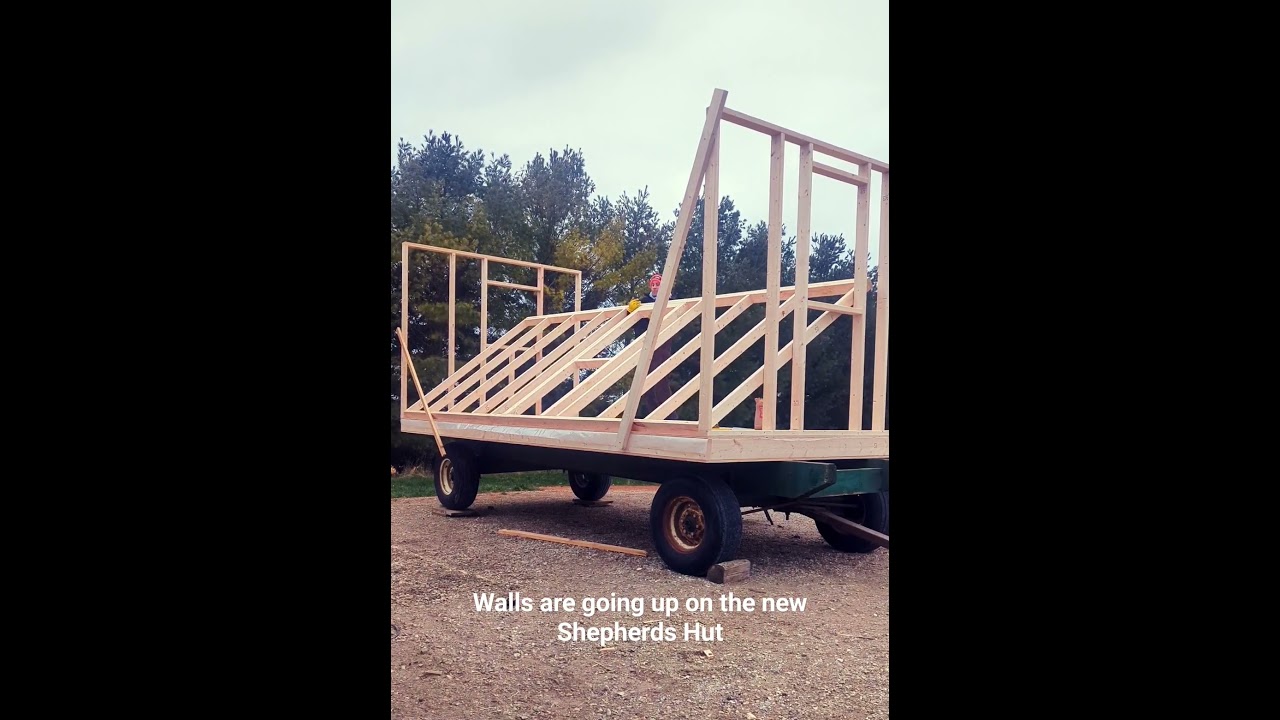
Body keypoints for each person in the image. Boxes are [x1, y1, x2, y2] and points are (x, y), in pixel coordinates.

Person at [627, 273, 674, 417]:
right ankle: (652, 414)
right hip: (644, 342)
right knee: (644, 380)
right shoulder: (643, 302)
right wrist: (630, 312)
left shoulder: (670, 301)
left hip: (662, 343)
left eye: (657, 285)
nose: (654, 287)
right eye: (652, 285)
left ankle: (669, 416)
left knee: (660, 379)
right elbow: (634, 324)